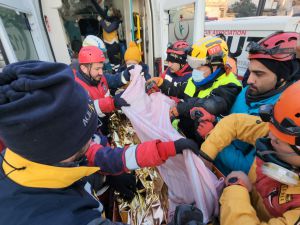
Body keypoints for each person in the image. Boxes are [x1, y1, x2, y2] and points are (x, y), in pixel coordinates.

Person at [0, 60, 199, 225]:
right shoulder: (64, 217)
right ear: (61, 147)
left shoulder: (34, 157)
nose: (93, 139)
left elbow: (102, 156)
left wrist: (168, 148)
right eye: (85, 135)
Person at [199, 80, 300, 224]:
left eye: (279, 138)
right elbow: (234, 123)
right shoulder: (274, 130)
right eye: (272, 128)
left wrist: (237, 188)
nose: (270, 136)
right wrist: (206, 155)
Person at [214, 31, 300, 176]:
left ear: (282, 77)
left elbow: (251, 168)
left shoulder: (283, 111)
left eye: (259, 74)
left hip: (235, 182)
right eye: (250, 71)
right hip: (213, 167)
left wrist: (211, 135)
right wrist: (214, 120)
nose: (249, 80)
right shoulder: (248, 91)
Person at [145, 35, 242, 142]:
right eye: (193, 64)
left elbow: (209, 104)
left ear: (215, 66)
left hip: (203, 144)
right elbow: (179, 89)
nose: (195, 70)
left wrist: (180, 109)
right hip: (184, 135)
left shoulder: (230, 85)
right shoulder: (199, 78)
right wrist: (161, 83)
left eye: (199, 65)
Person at [75, 45, 134, 135]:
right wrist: (113, 102)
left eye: (101, 68)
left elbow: (114, 80)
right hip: (95, 132)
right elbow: (88, 109)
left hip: (108, 122)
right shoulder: (76, 89)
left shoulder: (98, 77)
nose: (101, 72)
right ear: (84, 68)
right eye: (97, 69)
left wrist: (126, 74)